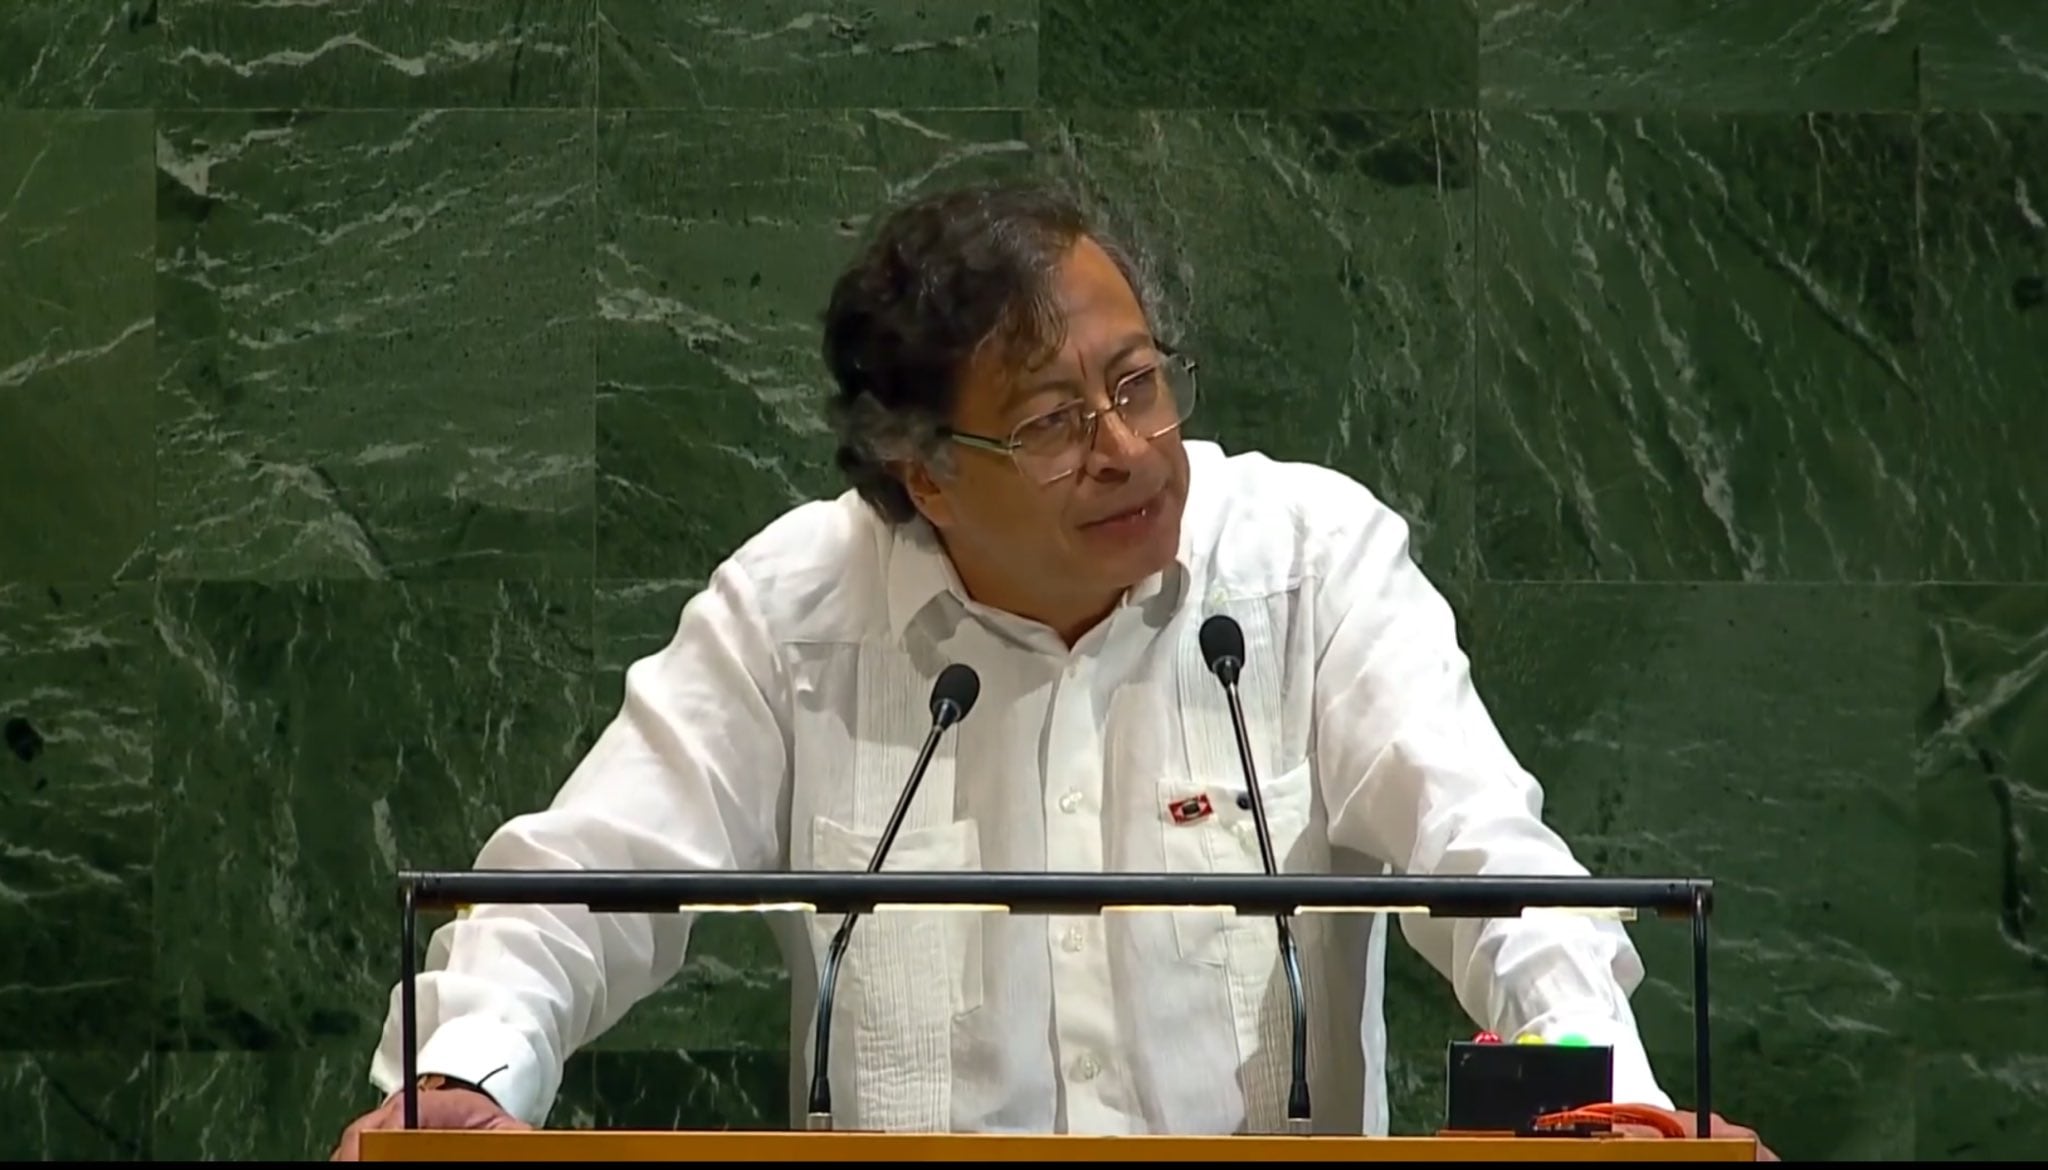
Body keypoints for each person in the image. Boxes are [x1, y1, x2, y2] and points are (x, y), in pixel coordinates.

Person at [331, 180, 1775, 1160]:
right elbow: (575, 886)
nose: (1132, 448)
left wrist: (1607, 1092)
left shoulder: (1306, 561)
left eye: (1138, 381)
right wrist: (461, 1075)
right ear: (925, 476)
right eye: (1051, 421)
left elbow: (1491, 862)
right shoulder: (796, 611)